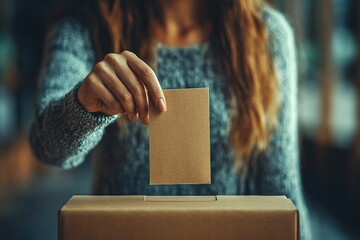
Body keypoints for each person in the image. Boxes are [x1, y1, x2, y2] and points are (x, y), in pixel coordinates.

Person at [30, 0, 311, 238]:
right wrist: (83, 104)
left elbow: (282, 189)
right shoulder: (85, 26)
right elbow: (48, 146)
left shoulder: (265, 35)